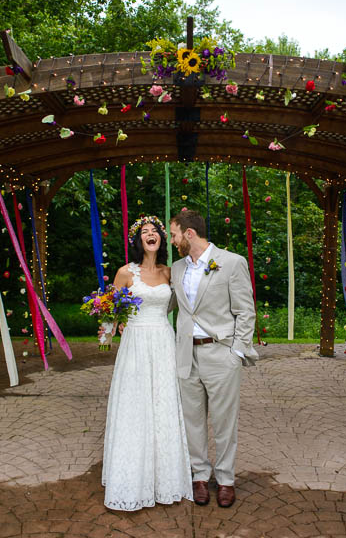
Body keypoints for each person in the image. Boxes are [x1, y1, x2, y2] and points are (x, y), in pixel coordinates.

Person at [101, 216, 193, 511]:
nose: (150, 234)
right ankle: (130, 476)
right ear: (137, 240)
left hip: (163, 341)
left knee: (162, 404)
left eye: (155, 231)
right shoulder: (126, 272)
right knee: (136, 405)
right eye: (145, 231)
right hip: (136, 344)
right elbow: (110, 308)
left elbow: (179, 304)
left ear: (162, 239)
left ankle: (164, 476)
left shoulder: (170, 272)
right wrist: (106, 335)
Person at [169, 209, 258, 508]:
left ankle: (226, 480)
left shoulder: (232, 263)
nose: (172, 240)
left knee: (223, 422)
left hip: (221, 354)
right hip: (186, 354)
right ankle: (199, 477)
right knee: (192, 420)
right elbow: (168, 304)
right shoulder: (177, 268)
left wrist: (236, 352)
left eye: (174, 234)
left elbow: (246, 311)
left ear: (189, 234)